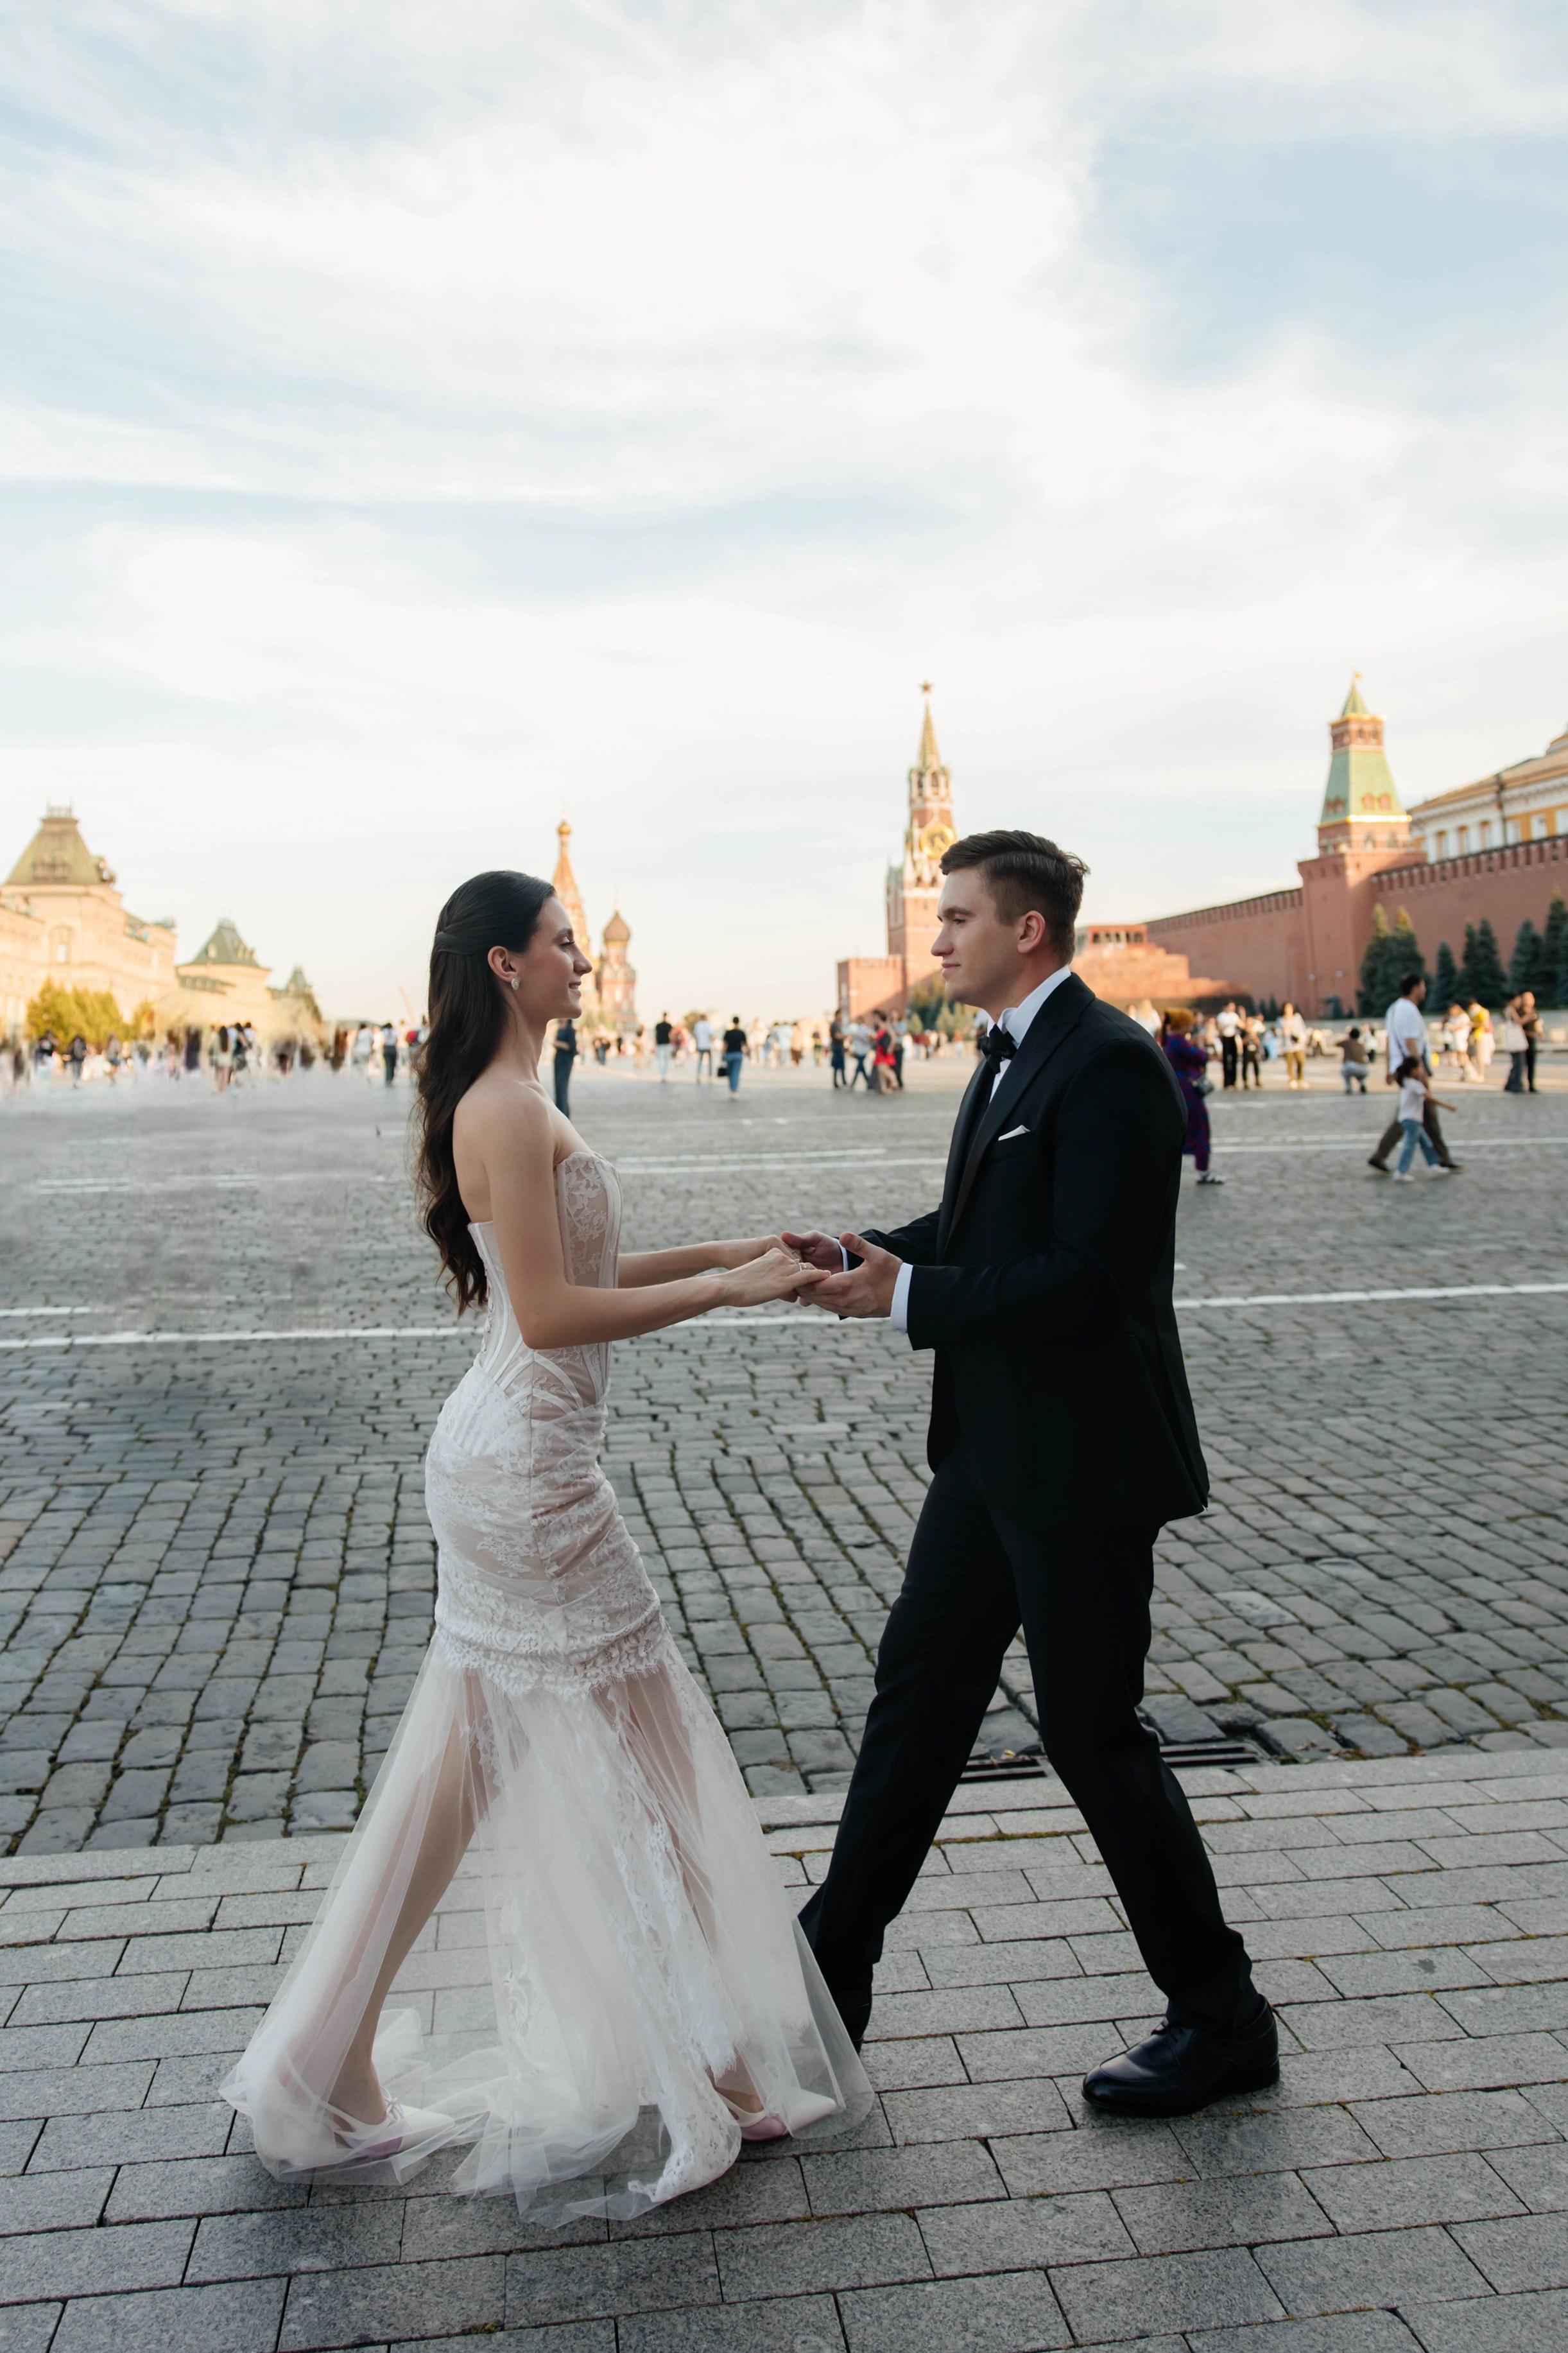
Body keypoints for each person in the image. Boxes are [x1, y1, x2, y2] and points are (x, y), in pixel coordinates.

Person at [221, 869, 868, 2209]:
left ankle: (324, 2060)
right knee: (654, 1765)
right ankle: (725, 2070)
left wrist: (747, 1246)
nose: (582, 955)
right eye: (565, 941)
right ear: (509, 963)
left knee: (455, 1784)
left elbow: (584, 1272)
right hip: (531, 1473)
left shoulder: (513, 1098)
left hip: (503, 1459)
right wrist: (736, 1290)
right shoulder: (507, 1107)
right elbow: (554, 1314)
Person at [780, 828, 1271, 2117]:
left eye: (954, 919)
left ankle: (1222, 2014)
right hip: (989, 1455)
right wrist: (867, 1249)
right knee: (918, 1704)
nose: (935, 938)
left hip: (1079, 1464)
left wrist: (914, 1296)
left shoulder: (1105, 1063)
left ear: (1027, 931)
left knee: (1093, 1735)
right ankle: (828, 1976)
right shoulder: (1013, 1055)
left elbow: (1094, 1280)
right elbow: (993, 1229)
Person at [1369, 974, 1458, 1174]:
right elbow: (1410, 1042)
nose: (1425, 989)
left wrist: (1388, 1069)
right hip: (1411, 1068)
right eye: (1423, 986)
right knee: (1417, 1114)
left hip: (1400, 1066)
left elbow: (1389, 1041)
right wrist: (1420, 1071)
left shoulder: (1394, 1008)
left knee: (1413, 1113)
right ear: (1415, 988)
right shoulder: (1409, 1010)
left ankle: (1438, 1157)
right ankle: (1441, 1158)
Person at [1162, 1009, 1223, 1185]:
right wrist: (1199, 1045)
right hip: (1188, 1090)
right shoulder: (1179, 1042)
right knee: (1200, 1129)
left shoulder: (1169, 1039)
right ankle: (1203, 1171)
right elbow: (1199, 1057)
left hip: (1177, 1088)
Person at [1391, 1054, 1455, 1181]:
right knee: (1409, 1146)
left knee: (1426, 1144)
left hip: (1409, 1118)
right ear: (1413, 1070)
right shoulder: (1415, 1084)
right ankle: (1400, 1171)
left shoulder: (1405, 1082)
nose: (1421, 1070)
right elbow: (1429, 1097)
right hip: (1412, 1119)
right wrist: (1447, 1106)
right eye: (1419, 1067)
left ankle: (1433, 1165)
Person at [1499, 996, 1528, 1093]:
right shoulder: (1511, 1010)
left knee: (1516, 1063)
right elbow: (1519, 1021)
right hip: (1516, 1040)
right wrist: (1530, 1015)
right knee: (1519, 1064)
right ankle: (1516, 1085)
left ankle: (1510, 1084)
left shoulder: (1507, 1010)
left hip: (1512, 1039)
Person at [1279, 1002, 1307, 1089]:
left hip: (1298, 1044)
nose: (1288, 1010)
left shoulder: (1297, 1017)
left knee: (1301, 1062)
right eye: (1287, 1008)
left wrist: (1303, 1038)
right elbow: (1281, 1032)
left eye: (1290, 1008)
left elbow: (1302, 1028)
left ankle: (1300, 1079)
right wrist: (1287, 1024)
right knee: (1290, 1064)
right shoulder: (1281, 1020)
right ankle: (1291, 1080)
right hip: (1288, 1046)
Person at [552, 1016, 576, 1115]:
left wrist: (558, 1044)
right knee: (558, 1087)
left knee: (562, 1087)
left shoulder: (570, 1030)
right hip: (558, 1059)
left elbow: (572, 1046)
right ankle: (559, 1112)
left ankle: (564, 1114)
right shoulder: (559, 1029)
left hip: (566, 1061)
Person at [1215, 1002, 1239, 1090]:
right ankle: (1227, 1082)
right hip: (1225, 1038)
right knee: (1226, 1061)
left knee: (1234, 1060)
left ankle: (1234, 1081)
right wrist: (1225, 1027)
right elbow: (1219, 1028)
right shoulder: (1222, 1016)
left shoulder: (1234, 1016)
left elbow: (1241, 1024)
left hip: (1233, 1037)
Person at [1339, 1025, 1371, 1093]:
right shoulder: (1361, 1044)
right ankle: (1362, 1084)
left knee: (1344, 1071)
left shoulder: (1347, 1043)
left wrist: (1347, 1038)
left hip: (1352, 1066)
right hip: (1364, 1068)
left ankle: (1348, 1087)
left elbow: (1336, 1044)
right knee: (1358, 1075)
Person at [722, 1015, 747, 1093]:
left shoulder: (728, 1033)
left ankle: (731, 1087)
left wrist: (723, 1054)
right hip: (738, 1054)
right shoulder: (741, 1033)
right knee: (736, 1073)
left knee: (730, 1072)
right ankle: (734, 1089)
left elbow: (725, 1045)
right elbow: (745, 1045)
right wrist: (748, 1053)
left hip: (729, 1054)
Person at [846, 1018, 872, 1089]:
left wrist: (858, 1036)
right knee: (862, 1068)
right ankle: (869, 1083)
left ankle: (853, 1084)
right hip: (859, 1051)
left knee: (858, 1068)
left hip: (863, 1051)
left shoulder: (864, 1029)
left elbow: (867, 1039)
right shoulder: (858, 1029)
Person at [1240, 1013, 1263, 1089]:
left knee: (1256, 1066)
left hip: (1254, 1051)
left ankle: (1257, 1080)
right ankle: (1245, 1081)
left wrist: (1254, 1036)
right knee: (1245, 1067)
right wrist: (1248, 1036)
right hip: (1246, 1052)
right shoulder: (1243, 1032)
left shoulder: (1255, 1031)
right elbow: (1242, 1042)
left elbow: (1258, 1042)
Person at [691, 1014, 713, 1081]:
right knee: (710, 1061)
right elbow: (711, 1035)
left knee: (700, 1061)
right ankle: (710, 1076)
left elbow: (695, 1035)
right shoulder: (708, 1025)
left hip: (700, 1045)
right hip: (708, 1045)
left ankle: (698, 1074)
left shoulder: (698, 1025)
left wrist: (696, 1045)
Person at [654, 1013, 674, 1082]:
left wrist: (655, 1043)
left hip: (660, 1044)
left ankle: (663, 1074)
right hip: (666, 1044)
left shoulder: (658, 1025)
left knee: (661, 1060)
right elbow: (671, 1035)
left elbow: (656, 1035)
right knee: (665, 1060)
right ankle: (664, 1074)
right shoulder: (669, 1025)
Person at [829, 1018, 847, 1089]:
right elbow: (838, 1036)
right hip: (838, 1048)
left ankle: (839, 1082)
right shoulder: (836, 1025)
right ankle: (842, 1082)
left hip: (837, 1048)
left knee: (838, 1067)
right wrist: (846, 1036)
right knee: (840, 1066)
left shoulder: (836, 1025)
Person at [382, 1021, 399, 1086]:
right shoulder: (395, 1031)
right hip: (393, 1048)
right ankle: (391, 1078)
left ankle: (388, 1079)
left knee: (388, 1065)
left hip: (387, 1048)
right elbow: (397, 1040)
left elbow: (382, 1040)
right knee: (393, 1065)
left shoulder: (384, 1031)